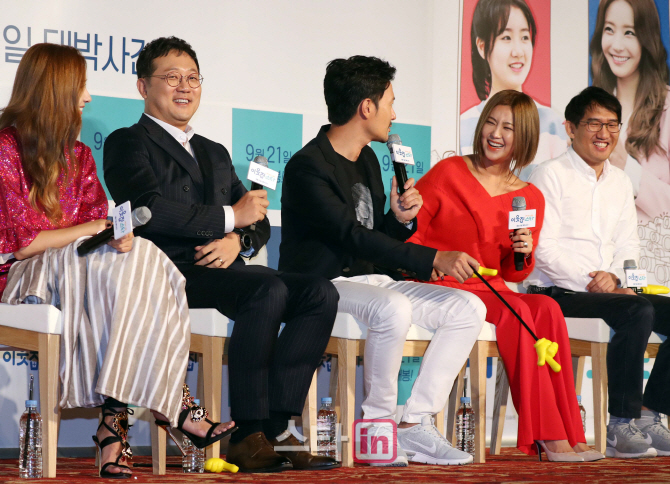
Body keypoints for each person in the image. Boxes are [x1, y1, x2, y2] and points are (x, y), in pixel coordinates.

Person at [103, 36, 340, 473]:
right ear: (143, 86)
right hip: (166, 272)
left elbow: (257, 216)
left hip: (225, 269)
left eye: (193, 78)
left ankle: (277, 428)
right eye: (172, 77)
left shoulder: (213, 151)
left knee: (319, 292)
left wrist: (239, 240)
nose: (185, 86)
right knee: (266, 289)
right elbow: (147, 209)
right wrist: (230, 218)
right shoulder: (127, 142)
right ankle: (248, 434)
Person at [0, 43, 235, 479]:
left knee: (140, 255)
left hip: (81, 272)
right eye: (81, 87)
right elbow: (24, 245)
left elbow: (96, 231)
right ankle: (175, 404)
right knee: (133, 262)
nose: (87, 98)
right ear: (54, 90)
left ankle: (114, 428)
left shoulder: (78, 155)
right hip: (24, 277)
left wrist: (114, 235)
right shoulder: (5, 148)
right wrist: (94, 229)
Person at [280, 55, 485, 467]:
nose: (395, 113)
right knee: (393, 307)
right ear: (366, 107)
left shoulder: (369, 159)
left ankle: (413, 423)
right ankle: (377, 427)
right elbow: (350, 236)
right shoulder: (308, 166)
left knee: (468, 307)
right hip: (323, 285)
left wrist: (399, 219)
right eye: (390, 102)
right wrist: (433, 257)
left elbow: (373, 236)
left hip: (374, 281)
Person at [408, 89, 601, 462]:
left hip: (492, 287)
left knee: (546, 308)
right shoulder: (449, 172)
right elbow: (411, 235)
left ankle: (570, 431)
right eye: (491, 123)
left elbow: (515, 271)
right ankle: (548, 435)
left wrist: (523, 251)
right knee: (519, 312)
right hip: (444, 284)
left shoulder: (529, 196)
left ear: (523, 136)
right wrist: (431, 263)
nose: (495, 134)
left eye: (508, 128)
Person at [527, 86, 670, 459]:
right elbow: (543, 248)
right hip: (555, 292)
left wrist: (617, 279)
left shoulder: (621, 181)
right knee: (637, 311)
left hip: (609, 290)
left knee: (653, 307)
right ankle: (619, 425)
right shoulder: (549, 174)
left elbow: (629, 244)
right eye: (594, 123)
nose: (604, 133)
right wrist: (596, 282)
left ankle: (649, 412)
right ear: (571, 128)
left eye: (612, 124)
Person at [461, 0, 567, 179]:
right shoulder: (463, 125)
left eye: (524, 37)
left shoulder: (551, 122)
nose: (518, 52)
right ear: (482, 46)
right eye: (506, 38)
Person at [590, 0, 670, 225]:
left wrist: (627, 167)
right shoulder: (589, 110)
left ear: (646, 38)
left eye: (629, 32)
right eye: (609, 29)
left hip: (653, 246)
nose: (617, 45)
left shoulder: (667, 108)